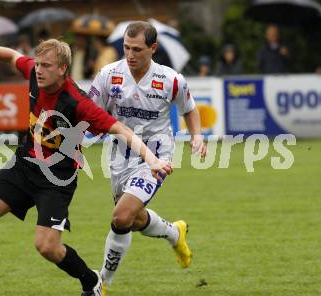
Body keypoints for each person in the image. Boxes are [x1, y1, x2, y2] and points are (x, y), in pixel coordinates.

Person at [0, 31, 172, 296]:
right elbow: (11, 56)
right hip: (23, 164)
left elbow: (120, 129)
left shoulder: (78, 103)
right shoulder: (34, 73)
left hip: (56, 179)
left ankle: (91, 281)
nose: (38, 70)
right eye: (38, 64)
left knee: (47, 247)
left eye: (46, 66)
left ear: (63, 69)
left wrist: (152, 159)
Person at [89, 21, 207, 294]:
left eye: (137, 49)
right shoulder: (109, 75)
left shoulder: (170, 79)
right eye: (126, 48)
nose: (130, 55)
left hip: (155, 158)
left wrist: (197, 136)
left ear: (153, 48)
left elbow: (189, 109)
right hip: (120, 157)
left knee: (120, 217)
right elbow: (90, 112)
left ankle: (103, 283)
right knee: (133, 218)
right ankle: (174, 233)